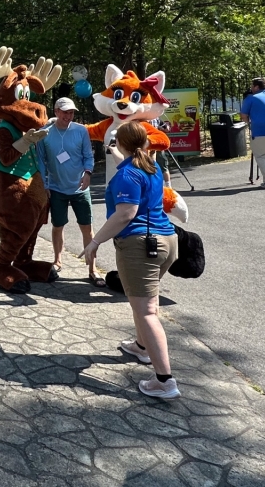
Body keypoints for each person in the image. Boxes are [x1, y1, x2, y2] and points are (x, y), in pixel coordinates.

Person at [84, 120, 180, 399]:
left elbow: (126, 213)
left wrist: (94, 241)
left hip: (140, 246)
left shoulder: (127, 175)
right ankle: (140, 346)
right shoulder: (152, 166)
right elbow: (128, 159)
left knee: (147, 310)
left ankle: (164, 380)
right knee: (146, 302)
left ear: (124, 143)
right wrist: (116, 150)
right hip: (166, 242)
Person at [36, 98, 101, 286]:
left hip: (80, 188)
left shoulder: (80, 131)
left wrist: (88, 173)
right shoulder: (44, 133)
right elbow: (41, 160)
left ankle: (92, 269)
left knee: (87, 228)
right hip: (56, 188)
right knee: (58, 226)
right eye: (64, 112)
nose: (68, 115)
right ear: (56, 111)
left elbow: (89, 155)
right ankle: (57, 260)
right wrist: (44, 184)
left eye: (71, 112)